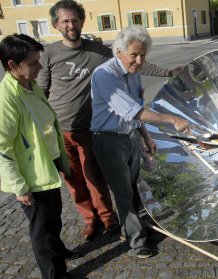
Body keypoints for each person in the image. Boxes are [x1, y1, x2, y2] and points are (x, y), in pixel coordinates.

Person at [37, 0, 180, 240]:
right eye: (65, 21)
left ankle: (108, 219)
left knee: (96, 179)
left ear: (82, 21)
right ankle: (90, 220)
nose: (71, 25)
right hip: (61, 128)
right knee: (74, 181)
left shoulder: (100, 51)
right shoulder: (49, 53)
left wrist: (168, 73)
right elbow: (41, 91)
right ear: (56, 24)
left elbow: (136, 61)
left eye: (75, 19)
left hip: (90, 127)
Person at [90, 25, 190, 258]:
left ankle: (131, 229)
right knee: (123, 192)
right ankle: (137, 242)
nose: (138, 60)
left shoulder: (134, 74)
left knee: (133, 187)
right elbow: (132, 110)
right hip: (108, 141)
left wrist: (146, 137)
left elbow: (137, 110)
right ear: (119, 51)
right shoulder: (104, 75)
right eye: (134, 54)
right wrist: (170, 119)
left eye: (143, 55)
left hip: (130, 136)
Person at [0, 34, 76, 279]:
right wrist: (19, 187)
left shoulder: (29, 85)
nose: (40, 67)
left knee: (53, 217)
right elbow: (2, 147)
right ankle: (54, 274)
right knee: (41, 230)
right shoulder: (7, 98)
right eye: (33, 63)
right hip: (31, 176)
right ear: (12, 65)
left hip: (47, 164)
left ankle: (58, 249)